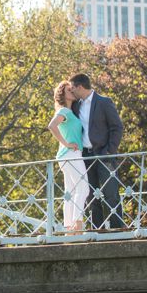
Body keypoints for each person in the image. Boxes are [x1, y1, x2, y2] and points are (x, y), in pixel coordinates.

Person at [69, 73, 124, 229]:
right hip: (85, 155)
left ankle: (116, 228)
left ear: (80, 87)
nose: (72, 92)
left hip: (104, 153)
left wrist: (109, 151)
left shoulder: (104, 102)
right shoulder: (76, 105)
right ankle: (97, 229)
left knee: (111, 192)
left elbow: (117, 127)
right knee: (90, 194)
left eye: (73, 88)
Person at [47, 80, 89, 232]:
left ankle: (68, 229)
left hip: (68, 156)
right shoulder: (64, 111)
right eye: (68, 90)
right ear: (63, 95)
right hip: (70, 154)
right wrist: (66, 143)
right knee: (83, 188)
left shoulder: (70, 112)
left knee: (70, 192)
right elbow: (51, 126)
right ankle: (77, 226)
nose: (72, 91)